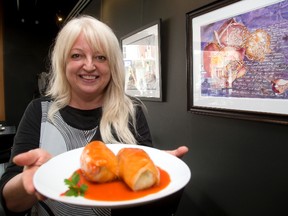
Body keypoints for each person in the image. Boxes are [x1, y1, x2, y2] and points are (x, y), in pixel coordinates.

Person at [0, 15, 188, 216]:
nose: (89, 66)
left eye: (100, 57)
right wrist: (28, 181)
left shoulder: (131, 112)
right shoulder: (39, 111)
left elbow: (143, 202)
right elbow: (10, 203)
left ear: (112, 65)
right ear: (63, 62)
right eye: (77, 55)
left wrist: (160, 173)